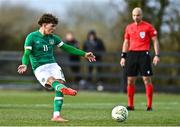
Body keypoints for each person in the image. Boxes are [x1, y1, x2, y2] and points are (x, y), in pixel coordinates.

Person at [17, 13, 96, 122]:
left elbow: (67, 48)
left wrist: (84, 54)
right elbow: (26, 54)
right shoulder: (31, 37)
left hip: (53, 65)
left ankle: (56, 116)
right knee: (52, 81)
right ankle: (64, 90)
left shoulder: (53, 38)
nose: (54, 29)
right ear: (44, 25)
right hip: (39, 67)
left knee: (59, 83)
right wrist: (25, 64)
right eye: (52, 26)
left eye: (55, 26)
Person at [120, 7, 160, 111]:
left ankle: (149, 105)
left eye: (138, 15)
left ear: (141, 15)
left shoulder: (148, 27)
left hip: (144, 55)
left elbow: (155, 41)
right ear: (132, 16)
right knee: (130, 80)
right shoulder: (129, 27)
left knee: (146, 79)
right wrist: (123, 56)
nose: (136, 17)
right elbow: (126, 42)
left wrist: (157, 55)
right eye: (134, 15)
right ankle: (130, 105)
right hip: (132, 54)